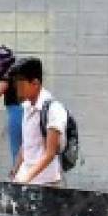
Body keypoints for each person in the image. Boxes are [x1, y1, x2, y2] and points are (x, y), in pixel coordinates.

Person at [9, 57, 68, 187]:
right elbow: (25, 145)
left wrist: (26, 179)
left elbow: (50, 154)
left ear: (35, 83)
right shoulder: (27, 107)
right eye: (15, 83)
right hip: (25, 178)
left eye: (20, 83)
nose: (17, 88)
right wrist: (15, 172)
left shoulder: (54, 110)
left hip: (45, 182)